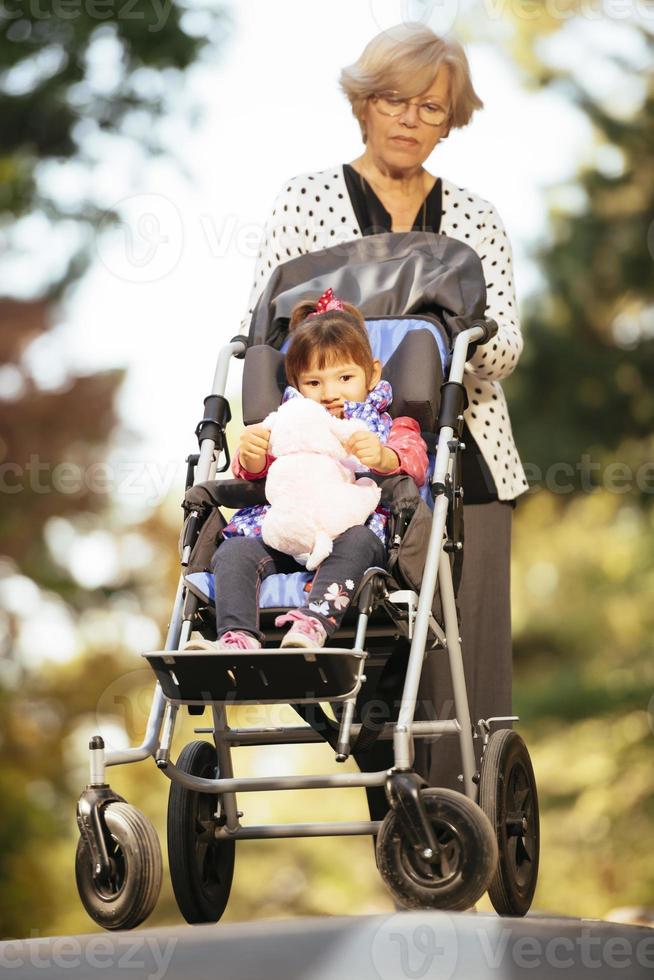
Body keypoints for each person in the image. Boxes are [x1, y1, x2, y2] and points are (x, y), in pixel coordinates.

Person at [239, 23, 529, 789]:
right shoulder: (306, 201)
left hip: (463, 467)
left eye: (431, 107)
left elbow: (504, 350)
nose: (409, 119)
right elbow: (262, 332)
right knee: (366, 661)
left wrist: (444, 338)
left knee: (467, 673)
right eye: (393, 100)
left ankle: (476, 817)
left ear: (450, 119)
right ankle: (406, 821)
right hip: (329, 470)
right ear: (363, 104)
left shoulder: (476, 217)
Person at [186, 289, 428, 653]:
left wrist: (384, 457)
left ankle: (314, 623)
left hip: (349, 532)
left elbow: (416, 462)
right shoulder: (285, 422)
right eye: (314, 383)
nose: (330, 392)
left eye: (345, 378)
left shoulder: (389, 423)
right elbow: (253, 472)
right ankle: (236, 638)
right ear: (296, 384)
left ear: (371, 373)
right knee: (233, 553)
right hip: (283, 531)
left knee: (360, 542)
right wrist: (252, 457)